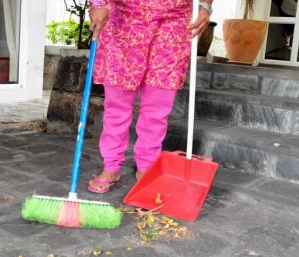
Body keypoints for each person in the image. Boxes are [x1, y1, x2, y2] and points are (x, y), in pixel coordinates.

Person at [87, 0, 213, 193]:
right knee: (118, 105)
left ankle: (146, 166)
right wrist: (97, 3)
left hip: (174, 20)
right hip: (124, 16)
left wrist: (205, 5)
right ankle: (111, 166)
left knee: (157, 106)